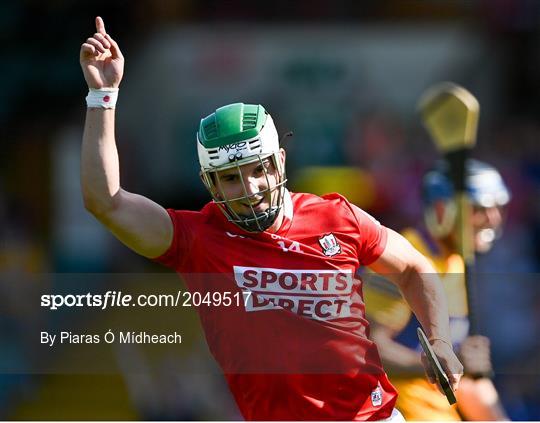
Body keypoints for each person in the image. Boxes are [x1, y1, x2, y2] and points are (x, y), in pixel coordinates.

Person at [80, 17, 463, 421]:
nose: (249, 186)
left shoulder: (337, 216)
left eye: (258, 168)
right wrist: (101, 97)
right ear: (209, 184)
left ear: (280, 161)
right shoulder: (195, 240)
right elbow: (105, 201)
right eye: (230, 177)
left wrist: (439, 339)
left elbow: (414, 267)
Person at [364, 159, 511, 420]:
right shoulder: (403, 259)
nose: (493, 218)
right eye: (479, 208)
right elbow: (366, 351)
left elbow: (466, 379)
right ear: (443, 210)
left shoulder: (458, 263)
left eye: (498, 207)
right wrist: (443, 364)